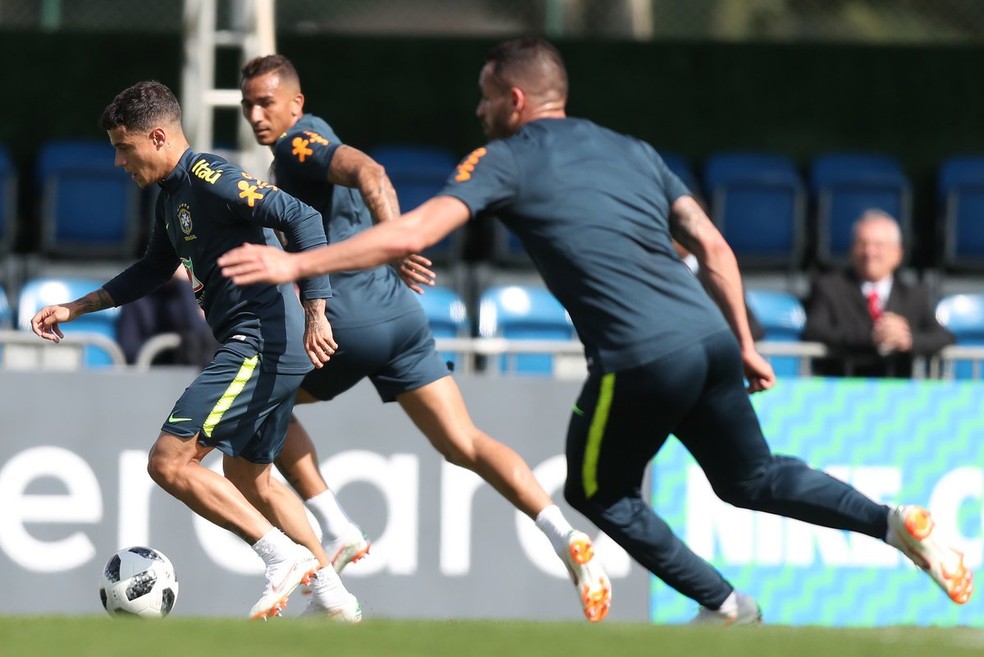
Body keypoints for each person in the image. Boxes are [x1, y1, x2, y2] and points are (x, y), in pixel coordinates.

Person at [219, 37, 974, 622]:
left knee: (594, 487)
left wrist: (294, 269)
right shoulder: (633, 150)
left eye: (485, 100)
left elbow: (414, 226)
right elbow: (712, 245)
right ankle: (894, 522)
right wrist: (745, 338)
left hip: (638, 352)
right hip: (707, 334)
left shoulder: (504, 158)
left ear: (514, 100)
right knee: (753, 478)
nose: (479, 112)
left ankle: (725, 608)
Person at [238, 54, 611, 622]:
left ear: (297, 104)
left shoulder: (298, 144)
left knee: (257, 405)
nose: (256, 115)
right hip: (400, 315)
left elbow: (371, 173)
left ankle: (335, 530)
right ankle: (564, 537)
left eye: (267, 102)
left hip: (346, 315)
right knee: (464, 442)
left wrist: (398, 238)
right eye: (248, 105)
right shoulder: (308, 144)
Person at [30, 80, 360, 622]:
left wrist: (317, 309)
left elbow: (303, 217)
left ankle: (280, 559)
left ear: (158, 137)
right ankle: (333, 597)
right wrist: (77, 307)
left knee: (169, 461)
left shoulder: (210, 176)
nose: (117, 161)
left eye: (124, 146)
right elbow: (154, 269)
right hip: (266, 346)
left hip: (258, 341)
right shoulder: (172, 197)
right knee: (251, 478)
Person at [802, 209, 954, 378]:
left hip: (898, 394)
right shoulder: (829, 287)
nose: (869, 252)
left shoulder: (914, 294)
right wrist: (872, 337)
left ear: (897, 254)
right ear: (852, 250)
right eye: (862, 243)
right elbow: (815, 331)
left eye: (878, 245)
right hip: (842, 391)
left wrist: (907, 340)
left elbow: (943, 337)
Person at [116, 265, 219, 367]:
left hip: (197, 373)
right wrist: (167, 346)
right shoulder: (139, 297)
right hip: (155, 376)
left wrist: (185, 284)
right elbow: (128, 351)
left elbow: (204, 342)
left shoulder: (206, 291)